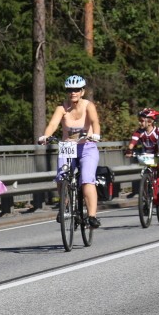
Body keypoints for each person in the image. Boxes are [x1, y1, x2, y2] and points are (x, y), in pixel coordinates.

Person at [38, 75, 102, 228]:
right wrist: (46, 136)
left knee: (86, 179)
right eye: (70, 90)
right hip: (68, 146)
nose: (73, 92)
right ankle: (66, 207)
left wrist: (96, 134)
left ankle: (92, 216)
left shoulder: (88, 106)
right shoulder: (62, 108)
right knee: (61, 177)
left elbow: (95, 122)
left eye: (76, 90)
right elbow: (53, 124)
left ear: (82, 91)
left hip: (87, 146)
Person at [124, 108, 159, 198]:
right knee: (146, 169)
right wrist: (129, 150)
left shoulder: (158, 131)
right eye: (139, 121)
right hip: (147, 156)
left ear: (150, 121)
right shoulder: (139, 132)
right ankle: (147, 192)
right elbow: (133, 141)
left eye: (142, 121)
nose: (140, 123)